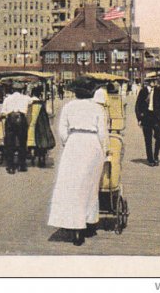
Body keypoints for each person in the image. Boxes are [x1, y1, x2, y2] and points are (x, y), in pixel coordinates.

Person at [47, 77, 108, 247]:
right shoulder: (98, 108)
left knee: (72, 186)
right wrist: (104, 150)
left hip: (74, 144)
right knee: (90, 186)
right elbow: (103, 133)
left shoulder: (68, 107)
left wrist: (70, 142)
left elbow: (62, 131)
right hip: (92, 144)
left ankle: (76, 228)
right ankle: (89, 222)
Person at [0, 82, 34, 174]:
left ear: (12, 90)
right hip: (21, 119)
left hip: (10, 119)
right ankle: (22, 165)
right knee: (22, 142)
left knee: (10, 143)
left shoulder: (7, 99)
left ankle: (10, 167)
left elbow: (3, 112)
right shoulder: (26, 98)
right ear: (22, 90)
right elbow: (32, 100)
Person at [135, 77, 160, 167]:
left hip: (156, 117)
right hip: (146, 117)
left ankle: (156, 155)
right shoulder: (143, 92)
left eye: (155, 81)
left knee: (159, 137)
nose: (154, 82)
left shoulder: (158, 91)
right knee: (148, 139)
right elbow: (137, 106)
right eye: (152, 81)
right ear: (148, 82)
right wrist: (139, 118)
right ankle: (150, 159)